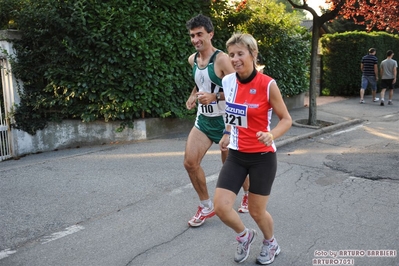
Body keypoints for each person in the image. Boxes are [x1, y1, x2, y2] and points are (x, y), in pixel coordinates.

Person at [214, 33, 292, 264]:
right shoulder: (228, 81)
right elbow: (233, 110)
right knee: (221, 207)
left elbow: (286, 119)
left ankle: (271, 243)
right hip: (236, 154)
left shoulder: (268, 84)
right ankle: (244, 236)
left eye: (240, 53)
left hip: (262, 157)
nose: (235, 59)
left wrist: (271, 135)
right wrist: (228, 133)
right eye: (231, 55)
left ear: (253, 54)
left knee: (257, 212)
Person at [184, 14, 249, 227]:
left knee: (231, 167)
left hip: (226, 121)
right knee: (190, 163)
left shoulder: (221, 60)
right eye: (192, 35)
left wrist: (215, 97)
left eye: (200, 34)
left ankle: (248, 193)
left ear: (210, 34)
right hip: (204, 120)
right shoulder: (193, 60)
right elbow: (200, 83)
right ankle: (205, 206)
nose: (195, 39)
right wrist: (193, 95)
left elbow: (239, 90)